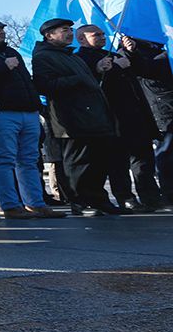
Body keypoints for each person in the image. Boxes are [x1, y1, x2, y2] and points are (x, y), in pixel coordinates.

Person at [0, 17, 64, 219]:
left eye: (1, 28)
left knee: (29, 160)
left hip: (27, 112)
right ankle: (10, 205)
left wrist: (35, 105)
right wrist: (2, 67)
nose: (1, 31)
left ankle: (35, 203)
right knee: (3, 159)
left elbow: (26, 80)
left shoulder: (10, 51)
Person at [31, 18, 130, 216]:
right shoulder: (44, 56)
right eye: (64, 30)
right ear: (49, 35)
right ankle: (81, 202)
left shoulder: (71, 56)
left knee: (98, 161)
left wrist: (97, 71)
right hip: (72, 118)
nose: (69, 33)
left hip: (93, 115)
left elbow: (89, 82)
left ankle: (99, 200)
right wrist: (79, 79)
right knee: (78, 162)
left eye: (70, 29)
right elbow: (45, 85)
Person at [76, 27, 163, 211]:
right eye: (96, 35)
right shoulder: (82, 58)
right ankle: (125, 197)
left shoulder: (115, 54)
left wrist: (132, 53)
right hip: (111, 116)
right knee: (118, 161)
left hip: (135, 114)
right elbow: (92, 82)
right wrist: (112, 68)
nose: (101, 38)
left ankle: (151, 196)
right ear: (82, 39)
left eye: (102, 34)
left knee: (143, 158)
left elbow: (143, 70)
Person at [122, 35, 173, 206]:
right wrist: (132, 51)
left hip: (164, 107)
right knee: (166, 154)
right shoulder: (142, 53)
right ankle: (168, 195)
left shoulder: (159, 49)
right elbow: (145, 69)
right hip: (163, 110)